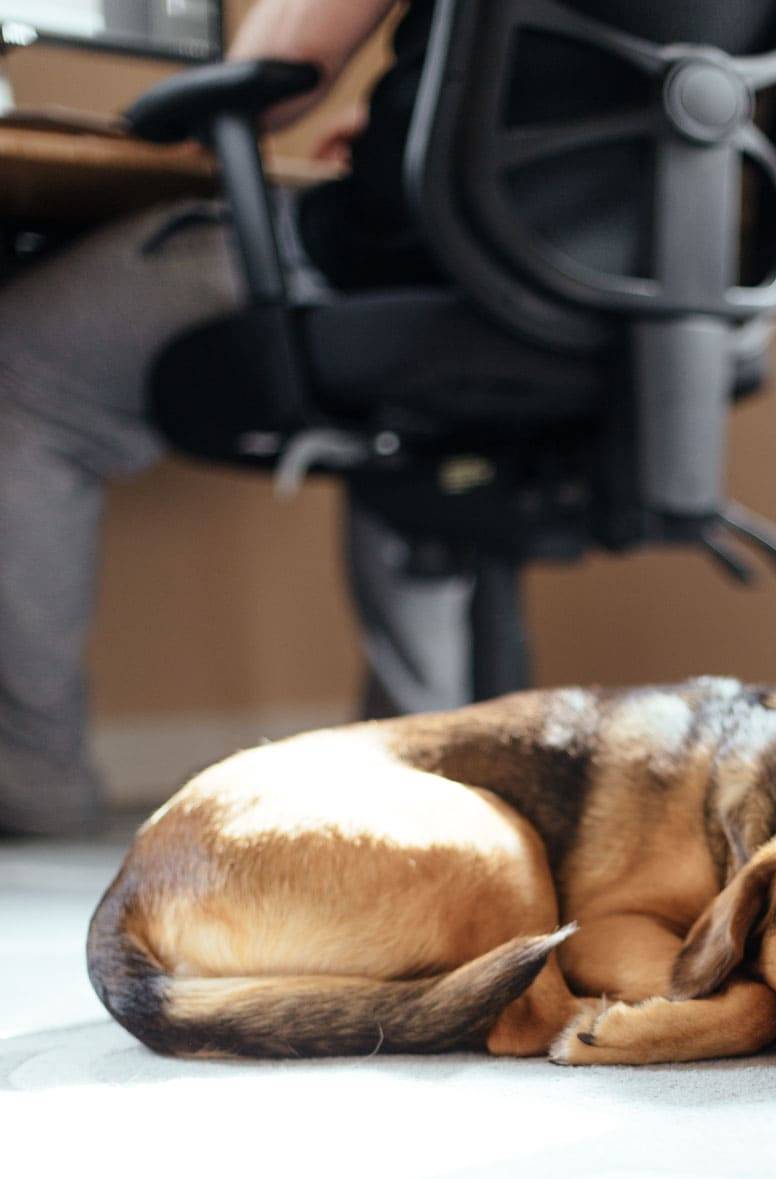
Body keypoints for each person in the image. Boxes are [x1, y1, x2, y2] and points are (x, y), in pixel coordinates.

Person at [0, 0, 528, 838]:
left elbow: (280, 71)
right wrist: (433, 119)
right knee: (422, 437)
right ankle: (429, 800)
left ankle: (36, 780)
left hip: (391, 262)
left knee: (20, 365)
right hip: (582, 268)